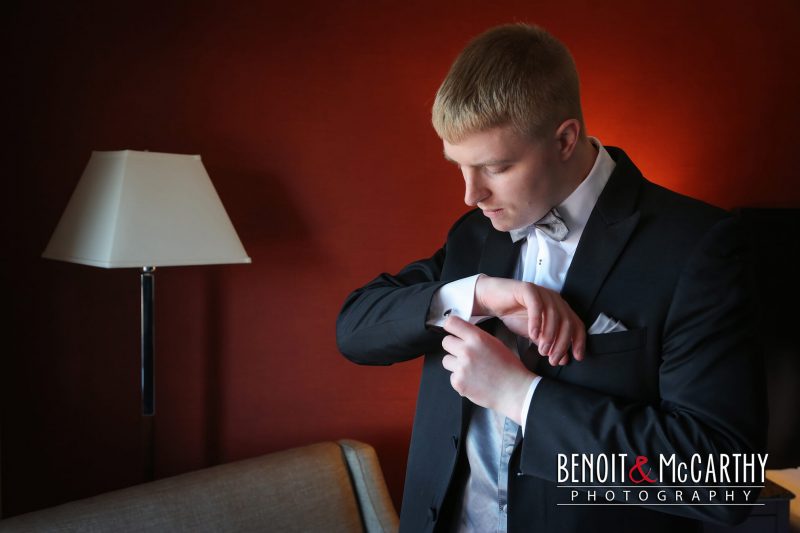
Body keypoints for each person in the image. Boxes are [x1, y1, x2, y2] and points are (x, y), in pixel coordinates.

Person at [336, 23, 766, 533]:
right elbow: (354, 331)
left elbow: (722, 480)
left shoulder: (698, 245)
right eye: (460, 166)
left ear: (565, 139)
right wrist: (477, 294)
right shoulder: (475, 234)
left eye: (495, 167)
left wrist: (521, 396)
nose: (470, 194)